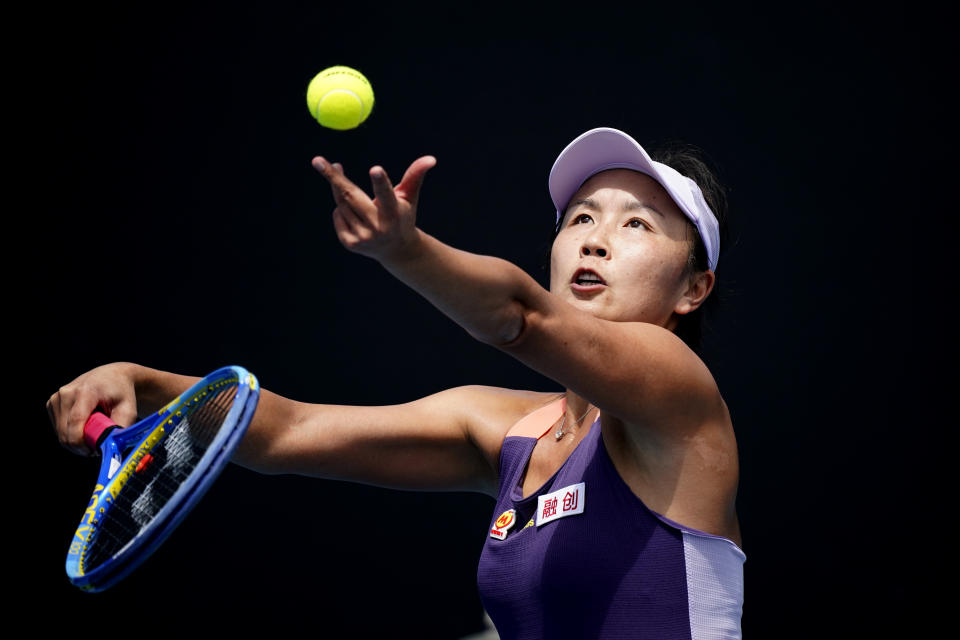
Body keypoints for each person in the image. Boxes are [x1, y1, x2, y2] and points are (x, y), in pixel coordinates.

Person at [48, 127, 744, 639]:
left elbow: (521, 316)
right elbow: (283, 432)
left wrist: (406, 252)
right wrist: (145, 384)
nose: (595, 239)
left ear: (694, 287)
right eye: (582, 218)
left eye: (637, 225)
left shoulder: (681, 400)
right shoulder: (503, 431)